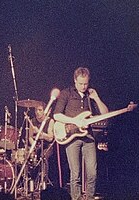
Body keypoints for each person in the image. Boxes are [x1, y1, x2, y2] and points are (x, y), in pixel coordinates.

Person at [53, 67, 108, 200]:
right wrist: (75, 121)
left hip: (88, 137)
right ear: (75, 80)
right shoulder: (67, 93)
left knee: (92, 172)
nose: (83, 86)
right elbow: (56, 115)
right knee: (75, 174)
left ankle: (89, 197)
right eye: (81, 83)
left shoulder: (90, 96)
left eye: (86, 83)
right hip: (72, 137)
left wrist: (96, 98)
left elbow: (105, 114)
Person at [28, 102, 54, 186]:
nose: (37, 112)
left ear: (44, 111)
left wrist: (40, 132)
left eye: (40, 110)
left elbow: (50, 137)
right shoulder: (32, 121)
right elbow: (30, 137)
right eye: (36, 110)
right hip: (36, 146)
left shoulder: (50, 121)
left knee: (43, 157)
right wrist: (33, 147)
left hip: (47, 146)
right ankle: (30, 182)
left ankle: (43, 182)